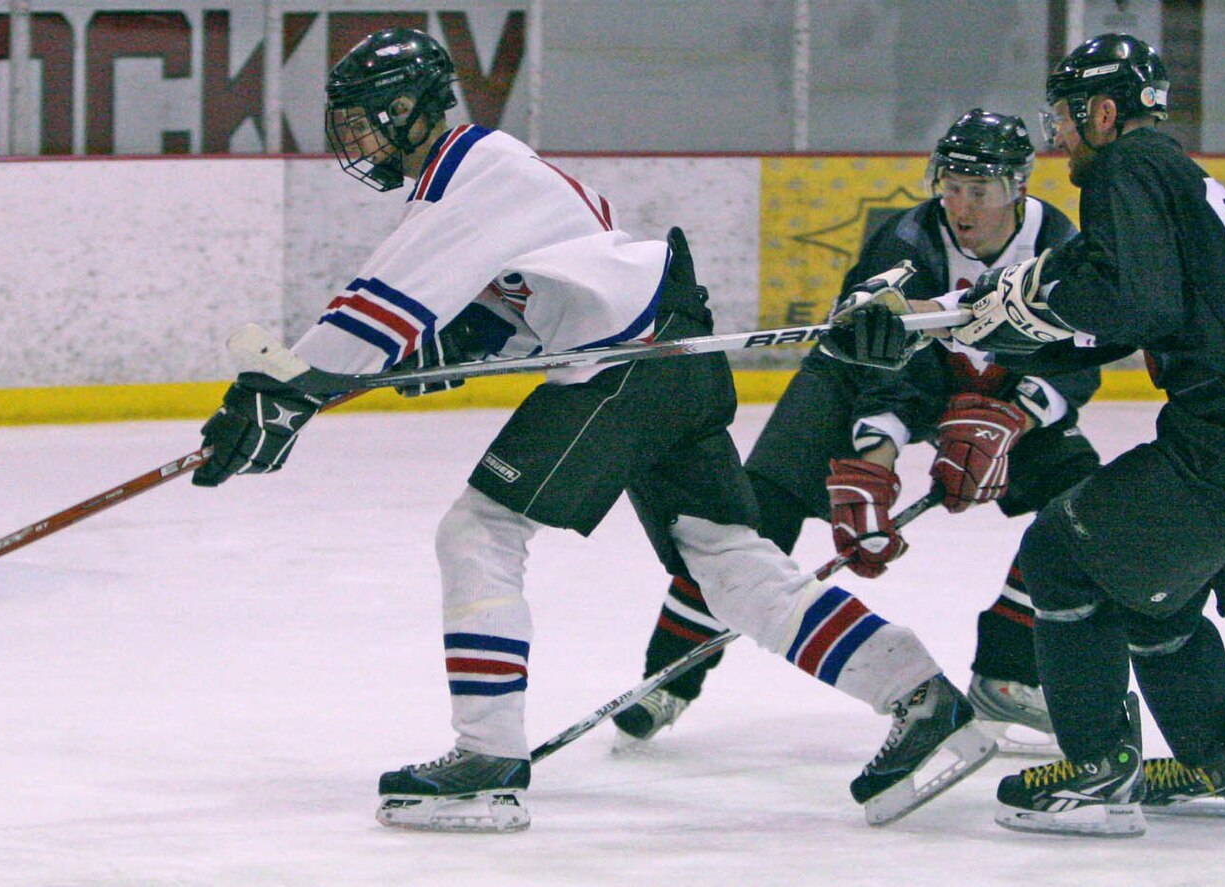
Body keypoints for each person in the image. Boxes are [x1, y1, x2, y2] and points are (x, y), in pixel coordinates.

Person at [191, 26, 993, 833]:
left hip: (630, 365)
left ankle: (487, 758)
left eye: (365, 118)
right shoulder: (484, 171)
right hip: (664, 359)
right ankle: (920, 695)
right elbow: (517, 292)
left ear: (409, 110)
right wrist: (465, 339)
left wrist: (274, 393)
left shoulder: (473, 171)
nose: (355, 138)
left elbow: (379, 303)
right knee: (730, 563)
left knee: (479, 531)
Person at [829, 34, 1225, 837]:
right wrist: (998, 322)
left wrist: (1023, 301)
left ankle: (1095, 772)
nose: (1059, 139)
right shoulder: (1171, 174)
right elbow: (1129, 312)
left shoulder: (1127, 167)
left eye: (1066, 119)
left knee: (1061, 555)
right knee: (1153, 592)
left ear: (1103, 112)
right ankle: (1218, 762)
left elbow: (1130, 301)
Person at [614, 110, 1098, 755]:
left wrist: (1017, 417)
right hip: (861, 380)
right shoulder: (904, 242)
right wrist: (876, 458)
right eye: (949, 186)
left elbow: (1078, 357)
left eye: (976, 190)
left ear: (1016, 188)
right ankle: (668, 679)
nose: (958, 205)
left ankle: (1008, 673)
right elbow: (877, 366)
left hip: (995, 396)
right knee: (754, 517)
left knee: (1082, 503)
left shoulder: (1061, 248)